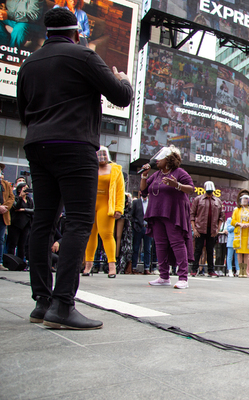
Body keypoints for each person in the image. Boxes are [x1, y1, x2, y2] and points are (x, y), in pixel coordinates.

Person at [18, 8, 133, 329]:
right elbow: (121, 96)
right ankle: (62, 305)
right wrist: (122, 79)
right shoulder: (83, 56)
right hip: (74, 144)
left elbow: (22, 113)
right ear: (77, 32)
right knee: (80, 222)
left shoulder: (28, 63)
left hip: (37, 144)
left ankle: (41, 302)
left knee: (43, 222)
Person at [140, 146, 195, 289]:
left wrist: (176, 185)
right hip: (157, 213)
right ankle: (164, 276)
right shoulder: (156, 174)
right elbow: (143, 190)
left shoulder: (179, 172)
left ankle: (183, 277)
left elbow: (191, 188)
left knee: (177, 242)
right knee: (160, 244)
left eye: (160, 158)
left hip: (173, 213)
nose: (156, 161)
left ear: (169, 159)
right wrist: (144, 175)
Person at [82, 147, 124, 278]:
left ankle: (112, 265)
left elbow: (120, 190)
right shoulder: (90, 168)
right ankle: (88, 265)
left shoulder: (115, 169)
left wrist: (119, 208)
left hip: (106, 204)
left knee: (106, 234)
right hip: (90, 203)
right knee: (90, 235)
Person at [190, 181, 224, 277]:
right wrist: (195, 229)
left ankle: (211, 270)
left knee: (210, 250)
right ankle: (194, 269)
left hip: (212, 230)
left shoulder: (218, 201)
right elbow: (192, 215)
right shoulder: (198, 199)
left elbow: (221, 216)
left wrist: (217, 229)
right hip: (200, 229)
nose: (209, 192)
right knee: (198, 250)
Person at [231, 189, 249, 278]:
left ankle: (245, 271)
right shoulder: (237, 210)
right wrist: (239, 224)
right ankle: (241, 271)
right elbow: (232, 221)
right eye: (243, 199)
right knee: (239, 252)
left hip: (248, 234)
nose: (244, 201)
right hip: (239, 233)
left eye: (246, 199)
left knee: (247, 253)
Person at [7, 182, 34, 262]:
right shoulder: (15, 198)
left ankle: (21, 262)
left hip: (26, 224)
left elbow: (33, 210)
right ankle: (11, 261)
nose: (26, 190)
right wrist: (20, 197)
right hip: (16, 223)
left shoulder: (29, 200)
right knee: (13, 243)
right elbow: (16, 207)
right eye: (24, 188)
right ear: (19, 189)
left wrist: (24, 210)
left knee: (22, 244)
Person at [131, 192, 153, 274]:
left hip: (147, 227)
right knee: (136, 248)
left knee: (147, 249)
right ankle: (134, 267)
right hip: (138, 228)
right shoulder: (136, 202)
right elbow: (131, 215)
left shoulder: (150, 202)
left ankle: (146, 268)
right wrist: (135, 224)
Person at [0, 164, 15, 271]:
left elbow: (11, 197)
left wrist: (5, 207)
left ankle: (0, 262)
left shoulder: (5, 184)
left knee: (1, 240)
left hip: (3, 215)